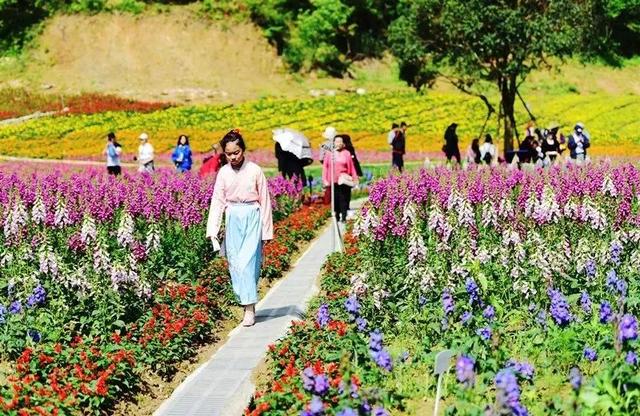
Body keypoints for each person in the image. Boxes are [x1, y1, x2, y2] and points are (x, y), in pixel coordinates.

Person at [206, 129, 273, 327]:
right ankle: (246, 301)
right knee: (235, 263)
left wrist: (267, 230)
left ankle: (249, 309)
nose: (233, 157)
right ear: (224, 153)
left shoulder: (255, 171)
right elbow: (217, 201)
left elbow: (265, 200)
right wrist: (213, 230)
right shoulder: (223, 173)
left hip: (252, 215)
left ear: (243, 150)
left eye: (236, 152)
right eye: (229, 154)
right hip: (233, 216)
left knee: (248, 263)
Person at [322, 135, 358, 223]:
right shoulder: (329, 153)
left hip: (344, 180)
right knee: (335, 199)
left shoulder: (346, 153)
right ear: (333, 143)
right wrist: (325, 179)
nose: (338, 143)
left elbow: (351, 167)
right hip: (333, 180)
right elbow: (325, 167)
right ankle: (337, 215)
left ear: (343, 144)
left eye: (340, 141)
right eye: (336, 141)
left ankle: (344, 216)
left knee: (344, 198)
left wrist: (355, 178)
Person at [336, 134, 362, 214]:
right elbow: (355, 161)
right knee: (347, 191)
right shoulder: (349, 148)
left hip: (346, 173)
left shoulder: (346, 150)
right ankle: (345, 205)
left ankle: (343, 207)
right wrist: (358, 172)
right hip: (348, 173)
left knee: (344, 191)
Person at [319, 126, 337, 204]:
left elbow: (321, 158)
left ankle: (329, 204)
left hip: (328, 168)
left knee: (328, 186)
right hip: (337, 168)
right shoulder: (338, 144)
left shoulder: (324, 145)